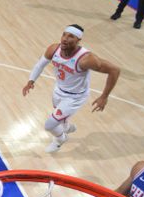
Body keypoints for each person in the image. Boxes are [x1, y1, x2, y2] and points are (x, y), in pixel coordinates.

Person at [22, 25, 120, 153]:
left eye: (71, 36)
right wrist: (31, 81)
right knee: (60, 118)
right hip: (59, 90)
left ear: (78, 40)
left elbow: (115, 70)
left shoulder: (86, 59)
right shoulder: (54, 49)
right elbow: (40, 64)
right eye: (64, 35)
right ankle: (66, 126)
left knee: (50, 125)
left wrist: (104, 96)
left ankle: (60, 139)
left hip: (75, 97)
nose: (65, 39)